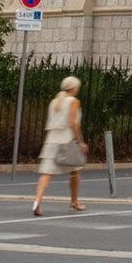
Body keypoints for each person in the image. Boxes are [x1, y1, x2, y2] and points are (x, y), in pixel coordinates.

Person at [31, 75, 87, 216]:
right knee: (75, 171)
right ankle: (74, 202)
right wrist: (80, 141)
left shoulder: (55, 101)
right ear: (74, 88)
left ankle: (37, 201)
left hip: (52, 139)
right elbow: (73, 123)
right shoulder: (74, 101)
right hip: (67, 140)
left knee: (47, 172)